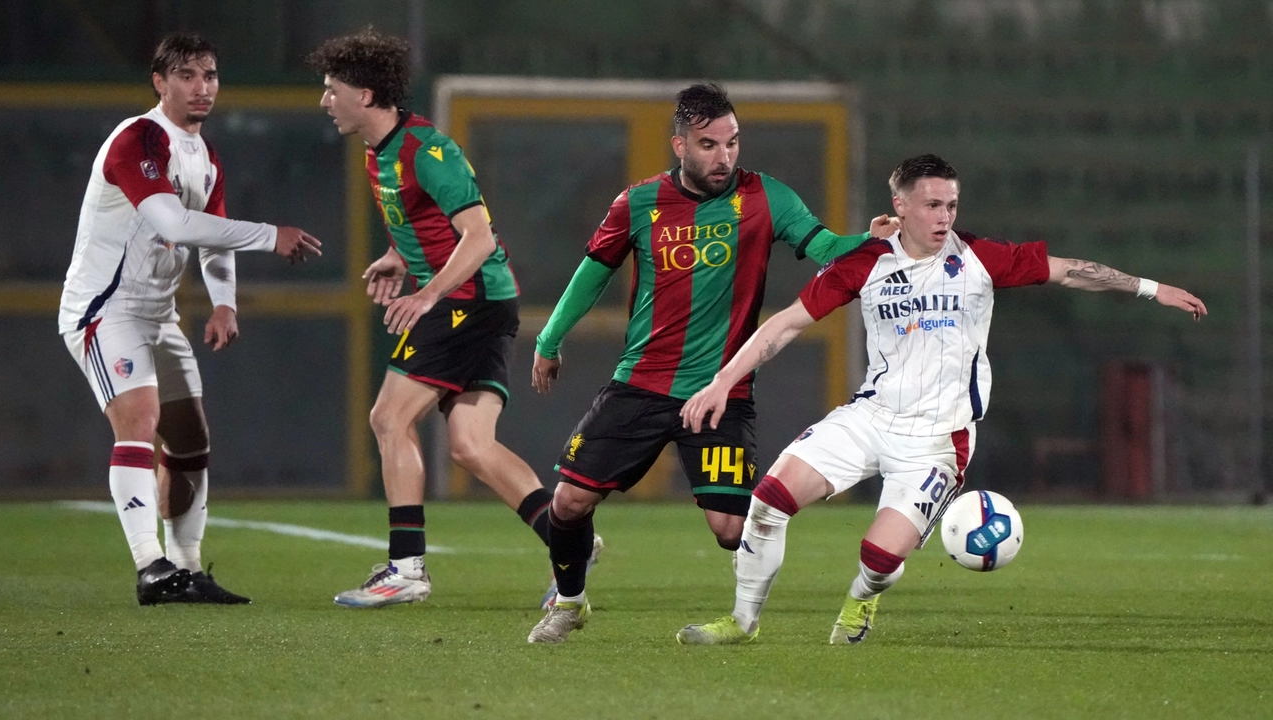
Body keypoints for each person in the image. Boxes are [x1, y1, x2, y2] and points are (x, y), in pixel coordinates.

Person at [675, 153, 1207, 645]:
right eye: (932, 204)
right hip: (871, 416)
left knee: (878, 558)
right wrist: (723, 381)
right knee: (768, 500)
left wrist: (1148, 287)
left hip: (937, 440)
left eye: (951, 204)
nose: (944, 216)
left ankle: (861, 602)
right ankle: (743, 622)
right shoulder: (865, 264)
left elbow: (1067, 270)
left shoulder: (979, 258)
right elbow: (787, 323)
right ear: (900, 206)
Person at [526, 83, 897, 644]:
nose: (724, 156)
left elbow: (823, 248)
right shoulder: (639, 202)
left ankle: (780, 597)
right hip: (642, 384)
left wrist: (866, 243)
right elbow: (592, 272)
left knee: (729, 528)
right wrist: (549, 340)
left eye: (732, 142)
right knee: (570, 500)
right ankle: (571, 602)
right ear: (679, 145)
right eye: (709, 144)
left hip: (722, 391)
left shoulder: (766, 197)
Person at [59, 32, 324, 606]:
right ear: (160, 82)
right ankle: (149, 567)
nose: (201, 88)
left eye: (210, 75)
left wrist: (224, 300)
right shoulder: (137, 139)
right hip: (105, 309)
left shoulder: (204, 156)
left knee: (190, 439)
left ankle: (185, 567)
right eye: (187, 75)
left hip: (159, 314)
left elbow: (212, 236)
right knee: (140, 417)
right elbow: (176, 224)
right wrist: (268, 235)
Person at [308, 30, 560, 608]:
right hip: (478, 302)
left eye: (332, 90)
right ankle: (566, 539)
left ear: (365, 95)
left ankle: (406, 569)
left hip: (467, 302)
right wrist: (399, 258)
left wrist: (427, 295)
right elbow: (428, 226)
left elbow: (476, 238)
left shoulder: (428, 150)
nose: (325, 101)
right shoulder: (380, 151)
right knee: (471, 445)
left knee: (389, 418)